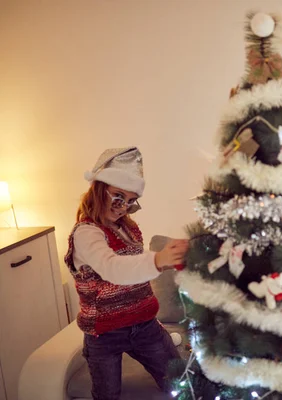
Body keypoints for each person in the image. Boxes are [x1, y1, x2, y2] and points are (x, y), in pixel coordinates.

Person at [64, 146, 189, 400]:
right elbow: (113, 269)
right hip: (105, 335)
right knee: (107, 395)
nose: (123, 207)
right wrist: (158, 260)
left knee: (181, 384)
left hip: (145, 326)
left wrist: (166, 261)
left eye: (130, 201)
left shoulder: (128, 228)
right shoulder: (87, 233)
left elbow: (135, 272)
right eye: (118, 196)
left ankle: (165, 339)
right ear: (99, 188)